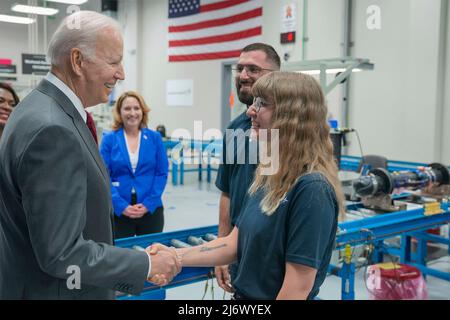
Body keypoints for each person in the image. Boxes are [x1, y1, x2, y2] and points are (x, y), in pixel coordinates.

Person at [0, 11, 179, 299]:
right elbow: (62, 252)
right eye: (114, 61)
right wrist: (144, 264)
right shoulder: (52, 129)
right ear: (77, 61)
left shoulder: (42, 109)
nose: (121, 74)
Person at [152, 72, 346, 300]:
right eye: (254, 102)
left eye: (262, 104)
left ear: (292, 117)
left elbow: (296, 290)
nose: (250, 111)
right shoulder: (269, 175)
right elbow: (234, 243)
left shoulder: (312, 189)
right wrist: (176, 256)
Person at [214, 43, 281, 293]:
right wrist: (222, 247)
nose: (243, 75)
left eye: (253, 69)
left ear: (275, 76)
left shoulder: (288, 133)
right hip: (240, 248)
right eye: (239, 68)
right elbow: (227, 191)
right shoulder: (236, 128)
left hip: (275, 255)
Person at [100, 91, 168, 238]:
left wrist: (149, 203)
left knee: (153, 252)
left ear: (142, 111)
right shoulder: (109, 139)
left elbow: (161, 173)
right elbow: (103, 175)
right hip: (120, 210)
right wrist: (120, 205)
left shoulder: (154, 138)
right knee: (122, 256)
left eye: (136, 108)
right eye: (127, 108)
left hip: (150, 209)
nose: (132, 113)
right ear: (119, 112)